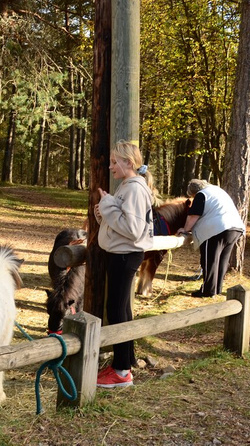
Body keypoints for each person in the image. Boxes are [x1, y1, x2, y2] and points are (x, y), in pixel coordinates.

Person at [93, 141, 154, 388]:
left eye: (114, 162)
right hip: (120, 254)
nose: (110, 167)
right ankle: (125, 360)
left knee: (117, 310)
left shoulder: (134, 189)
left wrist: (107, 205)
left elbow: (133, 229)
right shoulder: (126, 187)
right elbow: (122, 223)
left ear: (129, 162)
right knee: (121, 308)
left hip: (124, 256)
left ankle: (121, 372)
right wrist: (104, 214)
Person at [177, 179, 245, 298]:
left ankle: (207, 290)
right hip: (235, 228)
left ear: (194, 192)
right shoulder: (218, 191)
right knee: (222, 260)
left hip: (216, 229)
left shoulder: (201, 195)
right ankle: (217, 288)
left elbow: (194, 215)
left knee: (210, 260)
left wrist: (185, 229)